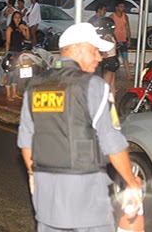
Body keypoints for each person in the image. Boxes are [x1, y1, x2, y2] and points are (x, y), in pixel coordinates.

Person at [17, 23, 143, 231]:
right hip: (86, 197)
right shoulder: (94, 86)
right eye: (95, 51)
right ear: (78, 49)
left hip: (46, 196)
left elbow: (26, 139)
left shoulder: (35, 86)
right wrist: (131, 182)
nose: (99, 58)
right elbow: (112, 141)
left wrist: (32, 175)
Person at [4, 11, 30, 100]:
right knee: (10, 73)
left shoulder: (21, 27)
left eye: (19, 17)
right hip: (12, 52)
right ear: (13, 18)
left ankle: (14, 93)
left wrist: (26, 29)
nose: (17, 19)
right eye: (16, 17)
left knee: (16, 73)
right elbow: (8, 42)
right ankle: (8, 94)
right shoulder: (10, 28)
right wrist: (7, 54)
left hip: (19, 52)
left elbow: (27, 37)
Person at [95, 17, 119, 96]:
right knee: (112, 84)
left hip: (108, 62)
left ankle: (104, 102)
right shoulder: (112, 36)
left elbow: (108, 45)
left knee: (105, 86)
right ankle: (113, 102)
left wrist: (103, 52)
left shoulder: (107, 37)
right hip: (114, 60)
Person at [111, 1, 132, 80]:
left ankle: (128, 74)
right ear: (116, 7)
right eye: (121, 6)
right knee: (114, 58)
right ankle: (114, 75)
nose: (122, 8)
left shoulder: (125, 16)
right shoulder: (112, 16)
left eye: (123, 7)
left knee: (125, 57)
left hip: (123, 40)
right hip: (115, 40)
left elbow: (127, 28)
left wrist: (128, 39)